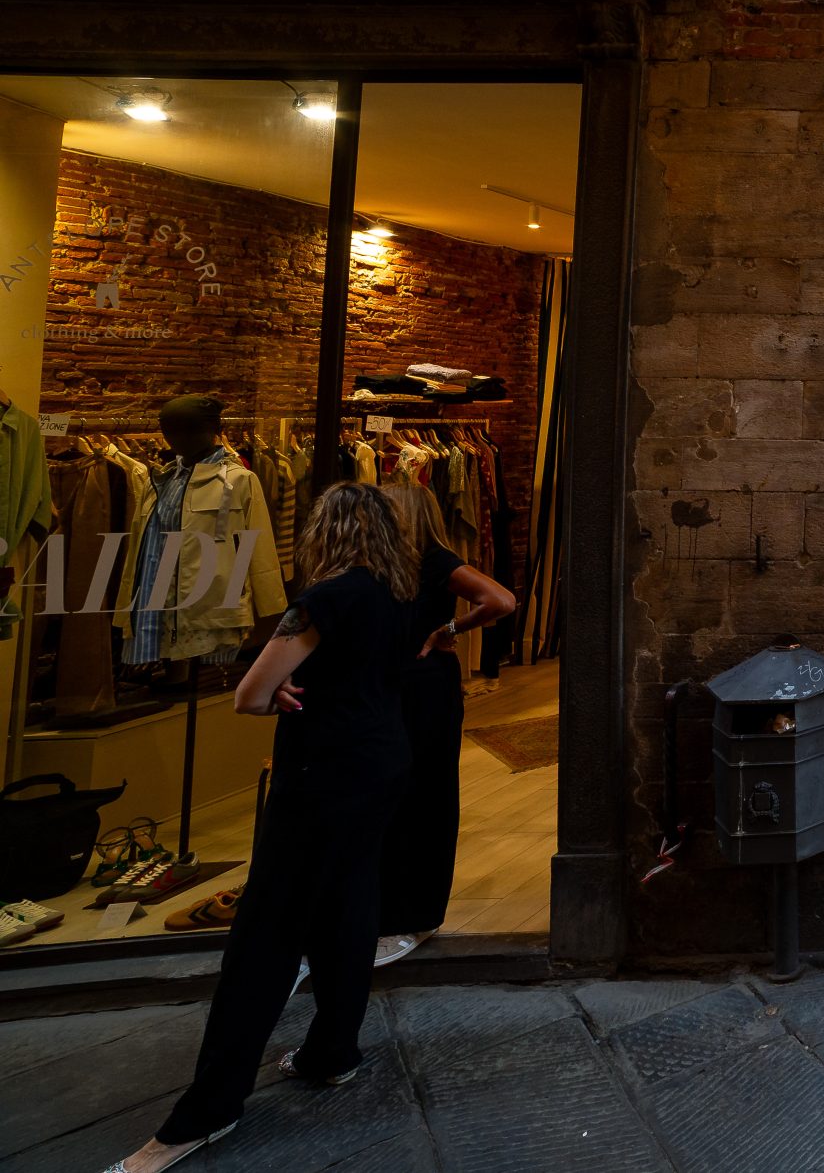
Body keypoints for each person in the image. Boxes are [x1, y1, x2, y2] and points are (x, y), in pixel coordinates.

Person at [110, 484, 418, 1173]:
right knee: (349, 906)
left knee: (266, 935)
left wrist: (275, 690)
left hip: (323, 777)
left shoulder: (325, 600)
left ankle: (207, 1110)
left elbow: (250, 693)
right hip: (382, 761)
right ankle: (332, 1051)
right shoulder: (395, 595)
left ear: (325, 533)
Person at [373, 485, 518, 967]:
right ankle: (394, 907)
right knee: (402, 790)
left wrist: (449, 630)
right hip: (405, 682)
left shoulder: (432, 557)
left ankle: (413, 911)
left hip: (423, 685)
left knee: (424, 791)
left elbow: (501, 600)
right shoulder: (392, 559)